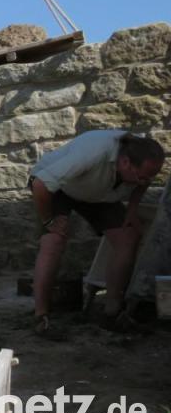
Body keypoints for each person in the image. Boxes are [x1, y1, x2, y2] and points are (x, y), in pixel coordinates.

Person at [29, 130, 165, 338]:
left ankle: (111, 313)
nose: (143, 181)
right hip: (57, 188)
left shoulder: (140, 162)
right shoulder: (92, 152)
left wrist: (132, 210)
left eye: (149, 177)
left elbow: (143, 182)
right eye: (140, 176)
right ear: (125, 162)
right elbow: (40, 184)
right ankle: (41, 317)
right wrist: (49, 221)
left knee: (128, 236)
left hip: (98, 193)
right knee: (54, 241)